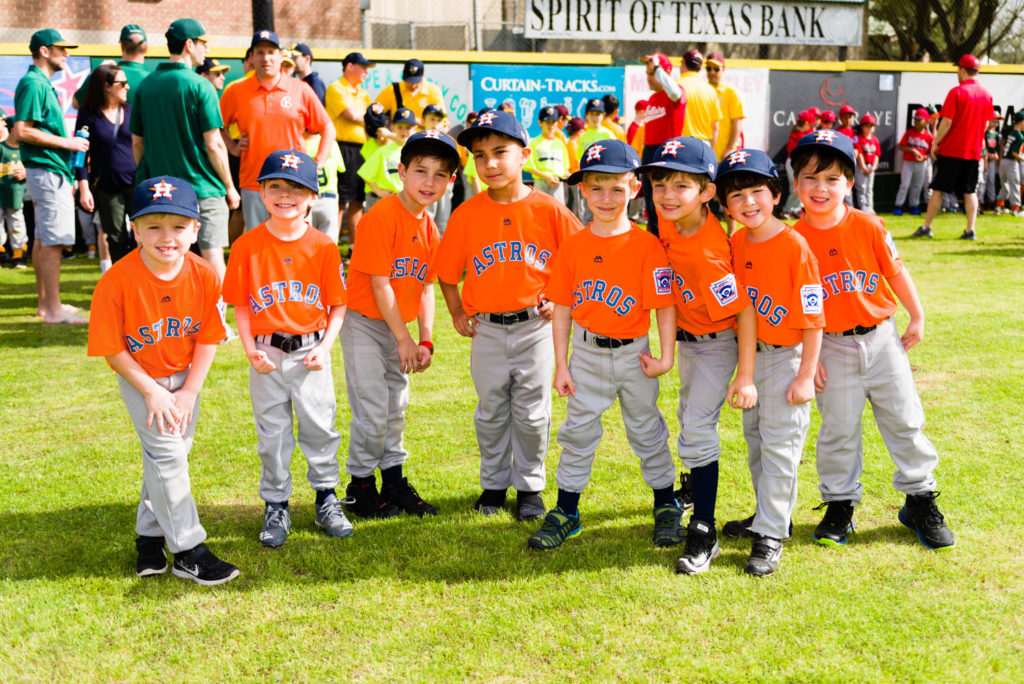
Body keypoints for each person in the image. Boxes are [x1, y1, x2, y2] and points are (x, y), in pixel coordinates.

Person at [789, 130, 955, 551]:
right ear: (795, 185)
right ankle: (840, 504)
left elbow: (895, 271)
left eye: (832, 178)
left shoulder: (867, 224)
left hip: (882, 339)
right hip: (829, 346)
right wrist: (807, 359)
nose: (820, 188)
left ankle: (919, 498)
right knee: (838, 430)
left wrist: (916, 313)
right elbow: (788, 304)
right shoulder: (792, 240)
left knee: (905, 419)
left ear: (850, 182)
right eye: (810, 178)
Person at [527, 139, 681, 551]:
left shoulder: (648, 246)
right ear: (582, 190)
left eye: (617, 187)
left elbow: (664, 306)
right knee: (577, 433)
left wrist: (666, 357)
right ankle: (566, 510)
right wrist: (561, 364)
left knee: (648, 430)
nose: (606, 197)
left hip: (636, 354)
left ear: (635, 187)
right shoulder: (574, 245)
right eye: (597, 187)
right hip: (588, 352)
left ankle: (666, 503)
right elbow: (560, 308)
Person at [87, 175, 239, 585]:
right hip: (141, 380)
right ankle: (190, 550)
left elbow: (209, 336)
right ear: (134, 229)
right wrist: (153, 391)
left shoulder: (205, 274)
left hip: (184, 377)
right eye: (153, 226)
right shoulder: (116, 280)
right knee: (170, 458)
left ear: (196, 230)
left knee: (165, 461)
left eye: (178, 226)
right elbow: (112, 350)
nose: (165, 236)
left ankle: (147, 540)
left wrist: (190, 391)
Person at [433, 110, 582, 520]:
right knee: (491, 410)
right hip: (486, 329)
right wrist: (457, 311)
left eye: (501, 151)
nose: (490, 163)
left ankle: (530, 486)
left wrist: (560, 297)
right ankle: (494, 484)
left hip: (534, 326)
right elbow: (447, 274)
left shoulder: (549, 209)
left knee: (533, 412)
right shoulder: (466, 213)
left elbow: (580, 261)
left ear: (524, 155)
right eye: (480, 156)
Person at [637, 137, 757, 574]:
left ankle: (704, 530)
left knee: (696, 428)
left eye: (681, 186)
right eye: (660, 184)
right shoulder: (671, 222)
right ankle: (693, 488)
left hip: (717, 343)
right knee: (690, 414)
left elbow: (742, 314)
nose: (668, 195)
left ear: (707, 192)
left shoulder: (709, 250)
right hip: (689, 341)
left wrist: (744, 375)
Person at [221, 149, 350, 548]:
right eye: (275, 185)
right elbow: (241, 304)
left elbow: (338, 305)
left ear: (313, 196)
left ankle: (327, 497)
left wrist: (326, 347)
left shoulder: (323, 246)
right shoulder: (247, 245)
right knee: (272, 433)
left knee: (319, 426)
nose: (285, 195)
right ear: (261, 191)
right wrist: (249, 349)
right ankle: (276, 503)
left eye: (297, 188)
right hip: (266, 354)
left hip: (310, 352)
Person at [716, 148, 825, 577]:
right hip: (751, 359)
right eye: (736, 196)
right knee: (758, 442)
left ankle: (771, 534)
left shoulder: (796, 246)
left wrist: (804, 375)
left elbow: (814, 317)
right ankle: (770, 515)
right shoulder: (737, 241)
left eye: (757, 192)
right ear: (725, 205)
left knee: (781, 448)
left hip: (786, 359)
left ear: (776, 194)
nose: (748, 203)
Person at [341, 130, 459, 519]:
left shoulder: (428, 227)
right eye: (420, 171)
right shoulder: (382, 216)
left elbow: (426, 287)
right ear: (401, 172)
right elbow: (379, 285)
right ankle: (359, 488)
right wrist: (405, 338)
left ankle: (392, 480)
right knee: (373, 409)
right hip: (366, 324)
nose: (429, 182)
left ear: (451, 182)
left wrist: (425, 339)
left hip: (399, 330)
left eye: (440, 175)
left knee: (396, 408)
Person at [130, 18, 240, 287]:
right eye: (203, 43)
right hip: (204, 187)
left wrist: (149, 179)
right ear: (189, 45)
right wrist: (229, 186)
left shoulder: (146, 85)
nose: (205, 50)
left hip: (161, 192)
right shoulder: (200, 85)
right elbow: (214, 143)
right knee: (213, 256)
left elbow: (137, 143)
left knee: (167, 259)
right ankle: (219, 324)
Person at [11, 28, 90, 324]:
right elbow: (22, 131)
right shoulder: (34, 83)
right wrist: (68, 143)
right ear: (44, 51)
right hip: (46, 169)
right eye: (61, 48)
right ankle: (53, 311)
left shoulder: (38, 82)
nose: (67, 54)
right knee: (53, 240)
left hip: (46, 170)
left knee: (45, 239)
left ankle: (47, 305)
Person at [219, 30, 334, 231]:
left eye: (271, 52)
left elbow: (327, 127)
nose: (266, 58)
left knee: (297, 242)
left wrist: (319, 162)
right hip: (254, 182)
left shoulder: (300, 89)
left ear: (280, 56)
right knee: (258, 244)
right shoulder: (236, 91)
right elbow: (217, 126)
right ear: (252, 57)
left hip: (295, 180)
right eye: (260, 52)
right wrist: (232, 147)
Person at [912, 54, 994, 240]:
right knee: (969, 191)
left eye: (958, 69)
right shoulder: (987, 95)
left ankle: (926, 227)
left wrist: (935, 143)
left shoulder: (957, 92)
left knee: (939, 189)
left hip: (952, 149)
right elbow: (986, 124)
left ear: (962, 70)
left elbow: (946, 122)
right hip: (972, 152)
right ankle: (970, 230)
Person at [74, 62, 138, 266]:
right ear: (106, 86)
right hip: (107, 187)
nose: (127, 87)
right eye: (123, 83)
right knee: (116, 238)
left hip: (136, 183)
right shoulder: (88, 115)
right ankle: (123, 283)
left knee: (143, 235)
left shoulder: (131, 111)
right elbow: (80, 153)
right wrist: (83, 188)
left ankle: (145, 280)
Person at [325, 52, 375, 244]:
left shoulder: (363, 93)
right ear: (349, 67)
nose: (366, 73)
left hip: (363, 149)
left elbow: (372, 121)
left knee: (356, 200)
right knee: (340, 201)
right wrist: (366, 118)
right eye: (363, 68)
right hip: (342, 148)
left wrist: (367, 119)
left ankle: (356, 248)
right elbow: (352, 115)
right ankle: (332, 248)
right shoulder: (335, 88)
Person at [640, 53, 686, 236]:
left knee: (664, 201)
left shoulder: (675, 93)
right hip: (649, 152)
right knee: (651, 203)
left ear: (664, 73)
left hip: (666, 152)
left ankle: (669, 242)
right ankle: (656, 240)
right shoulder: (652, 99)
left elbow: (674, 91)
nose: (649, 78)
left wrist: (658, 68)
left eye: (652, 74)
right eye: (647, 74)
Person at [73, 24, 149, 108]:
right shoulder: (154, 79)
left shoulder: (107, 75)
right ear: (146, 48)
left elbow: (76, 103)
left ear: (122, 46)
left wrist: (97, 73)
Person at [358, 107, 417, 209]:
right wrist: (379, 191)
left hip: (404, 201)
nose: (404, 131)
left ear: (415, 129)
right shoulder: (384, 151)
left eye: (408, 128)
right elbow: (365, 174)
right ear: (392, 127)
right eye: (400, 127)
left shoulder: (416, 153)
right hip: (381, 200)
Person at [374, 59, 444, 125]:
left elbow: (442, 122)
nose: (412, 86)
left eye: (416, 82)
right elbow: (375, 111)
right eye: (409, 81)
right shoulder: (393, 90)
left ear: (423, 74)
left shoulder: (433, 91)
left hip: (425, 136)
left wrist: (413, 120)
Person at [525, 105, 570, 204]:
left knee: (558, 213)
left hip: (557, 184)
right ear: (540, 123)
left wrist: (567, 175)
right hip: (541, 183)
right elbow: (529, 166)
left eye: (553, 122)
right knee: (539, 213)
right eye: (547, 122)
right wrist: (547, 177)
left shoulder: (560, 144)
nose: (551, 125)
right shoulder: (534, 143)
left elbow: (565, 168)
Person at [677, 49, 721, 151]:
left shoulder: (675, 86)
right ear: (701, 68)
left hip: (679, 144)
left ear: (683, 63)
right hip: (702, 145)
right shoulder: (710, 90)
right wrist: (710, 150)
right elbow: (715, 127)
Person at [0, 113, 28, 269]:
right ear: (12, 130)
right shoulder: (1, 148)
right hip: (0, 194)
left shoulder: (25, 150)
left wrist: (25, 173)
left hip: (16, 195)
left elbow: (31, 167)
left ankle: (19, 256)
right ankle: (2, 256)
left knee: (17, 224)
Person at [704, 52, 744, 162]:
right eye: (708, 68)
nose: (712, 72)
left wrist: (730, 148)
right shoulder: (703, 90)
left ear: (723, 69)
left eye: (716, 69)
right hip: (705, 152)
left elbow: (737, 122)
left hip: (724, 154)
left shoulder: (731, 92)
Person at [893, 109, 934, 216]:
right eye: (915, 119)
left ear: (926, 121)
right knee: (905, 184)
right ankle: (898, 206)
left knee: (917, 185)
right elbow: (901, 146)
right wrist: (912, 150)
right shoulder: (909, 133)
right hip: (909, 162)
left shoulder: (929, 137)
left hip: (921, 164)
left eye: (919, 120)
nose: (916, 122)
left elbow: (931, 153)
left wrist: (925, 157)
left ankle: (914, 206)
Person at [996, 111, 1024, 215]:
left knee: (1004, 185)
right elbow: (1014, 153)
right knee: (1015, 184)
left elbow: (1004, 145)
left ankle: (999, 205)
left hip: (1003, 160)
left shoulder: (1010, 132)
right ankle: (1015, 208)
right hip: (1011, 162)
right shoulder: (1020, 136)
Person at [853, 113, 880, 214]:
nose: (869, 128)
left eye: (871, 126)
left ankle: (870, 206)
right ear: (862, 127)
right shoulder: (859, 138)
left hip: (871, 165)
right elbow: (859, 153)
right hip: (861, 165)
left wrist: (874, 166)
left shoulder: (875, 140)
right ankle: (863, 206)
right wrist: (863, 166)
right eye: (867, 126)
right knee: (861, 187)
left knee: (869, 188)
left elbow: (877, 154)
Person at [981, 114, 1001, 210]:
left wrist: (996, 154)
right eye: (993, 121)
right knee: (983, 180)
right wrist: (987, 155)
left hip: (992, 160)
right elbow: (984, 146)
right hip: (985, 158)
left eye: (997, 122)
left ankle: (991, 201)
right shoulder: (984, 133)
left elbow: (997, 147)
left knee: (991, 180)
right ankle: (980, 200)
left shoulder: (996, 134)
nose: (995, 124)